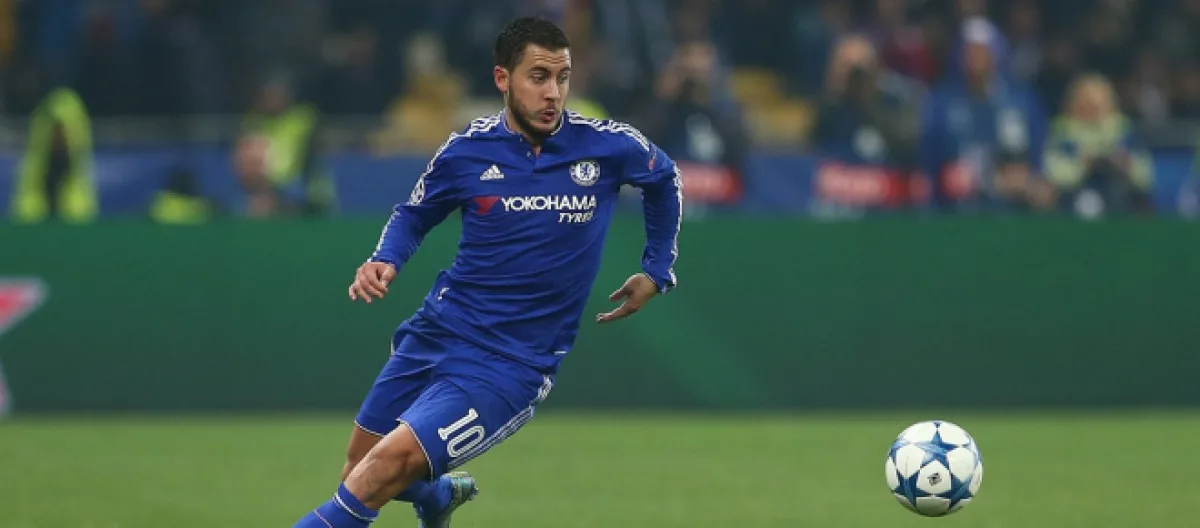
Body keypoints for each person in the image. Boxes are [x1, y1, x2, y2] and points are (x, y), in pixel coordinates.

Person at [293, 17, 683, 528]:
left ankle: (432, 494)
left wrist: (656, 269)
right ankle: (438, 497)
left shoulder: (607, 145)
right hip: (438, 330)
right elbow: (414, 214)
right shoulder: (466, 151)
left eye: (562, 77)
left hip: (510, 363)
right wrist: (385, 258)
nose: (553, 92)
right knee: (357, 469)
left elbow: (664, 178)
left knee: (378, 473)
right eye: (538, 76)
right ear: (503, 78)